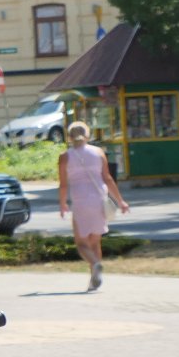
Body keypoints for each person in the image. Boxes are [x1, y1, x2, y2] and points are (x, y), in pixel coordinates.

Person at [57, 121, 129, 290]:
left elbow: (63, 184)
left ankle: (95, 264)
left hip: (80, 201)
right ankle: (94, 278)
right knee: (95, 242)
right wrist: (120, 201)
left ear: (69, 136)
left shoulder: (65, 156)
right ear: (88, 135)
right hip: (99, 199)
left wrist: (62, 203)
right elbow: (108, 178)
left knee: (81, 243)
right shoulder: (98, 152)